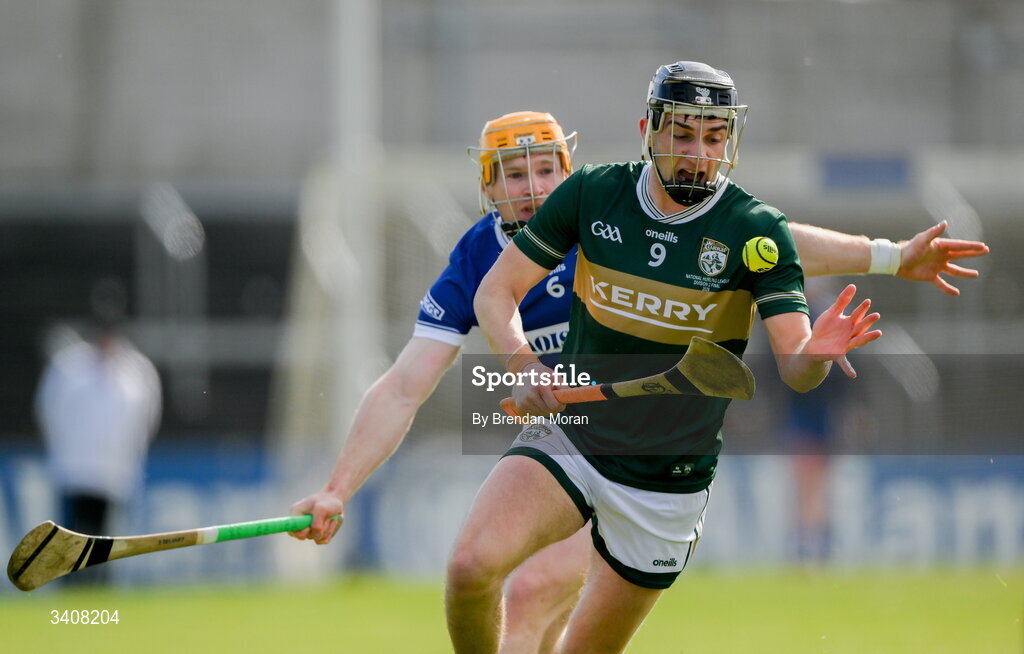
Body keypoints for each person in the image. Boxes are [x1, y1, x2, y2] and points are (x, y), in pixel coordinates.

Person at [290, 106, 988, 652]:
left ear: (566, 170)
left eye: (544, 170)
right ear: (488, 186)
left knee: (532, 593)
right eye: (513, 174)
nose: (532, 189)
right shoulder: (478, 257)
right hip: (561, 425)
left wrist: (888, 256)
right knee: (484, 571)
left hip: (652, 445)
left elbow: (771, 240)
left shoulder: (606, 214)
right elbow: (406, 385)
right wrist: (338, 485)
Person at [450, 59, 923, 653]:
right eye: (682, 133)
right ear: (649, 129)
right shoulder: (596, 194)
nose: (698, 152)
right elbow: (496, 290)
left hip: (665, 483)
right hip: (571, 436)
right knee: (471, 569)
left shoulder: (756, 232)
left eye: (714, 136)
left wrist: (815, 354)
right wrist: (520, 361)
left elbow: (796, 369)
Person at [35, 320, 162, 585]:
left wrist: (131, 453)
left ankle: (101, 588)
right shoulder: (69, 366)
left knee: (105, 538)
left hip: (115, 471)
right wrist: (62, 449)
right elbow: (48, 409)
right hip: (74, 469)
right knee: (72, 533)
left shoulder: (136, 370)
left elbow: (147, 416)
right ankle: (71, 586)